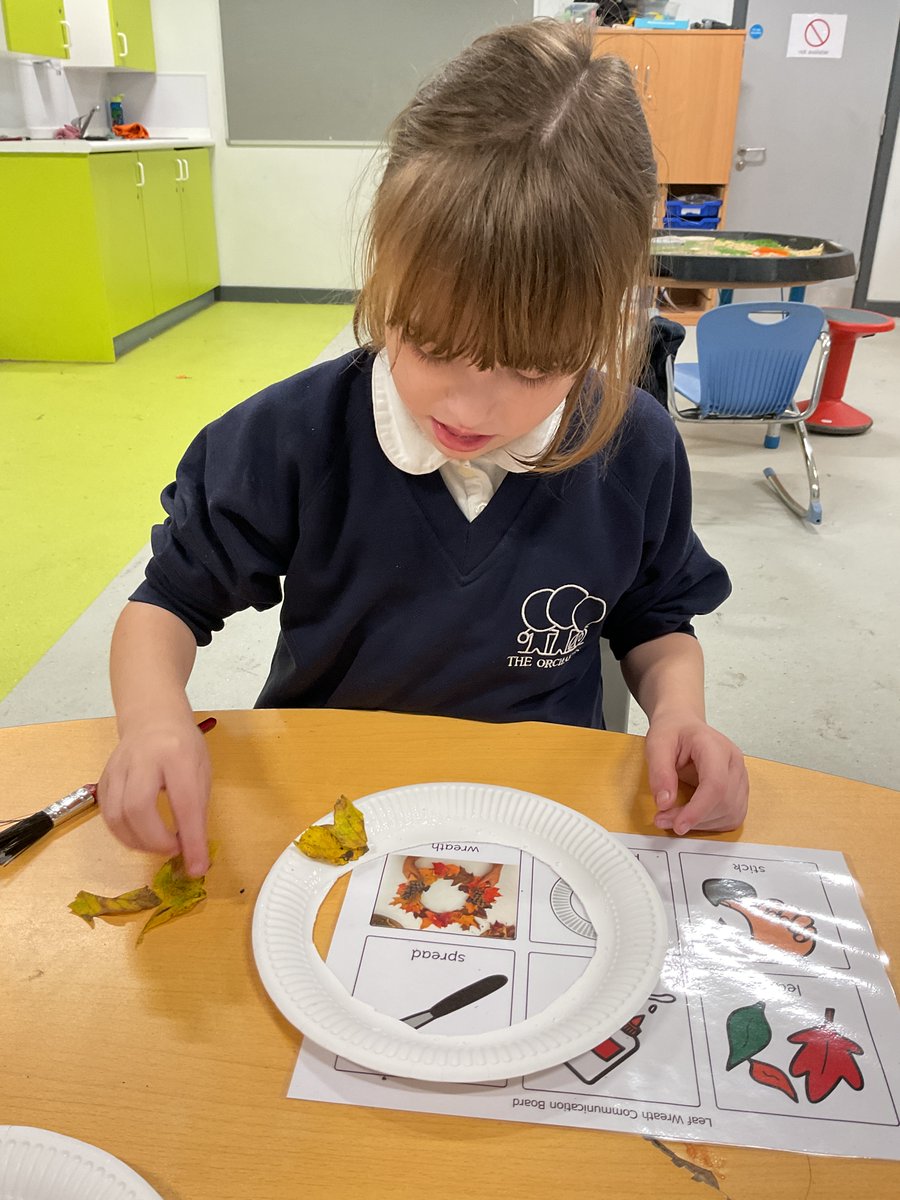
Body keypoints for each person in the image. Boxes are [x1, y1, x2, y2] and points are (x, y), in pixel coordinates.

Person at [98, 20, 748, 878]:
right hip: (330, 813)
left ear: (604, 321)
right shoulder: (295, 436)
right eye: (433, 342)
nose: (469, 405)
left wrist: (681, 711)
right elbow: (166, 606)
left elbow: (656, 621)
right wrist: (151, 721)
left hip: (539, 818)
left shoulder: (634, 448)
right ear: (384, 276)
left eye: (532, 365)